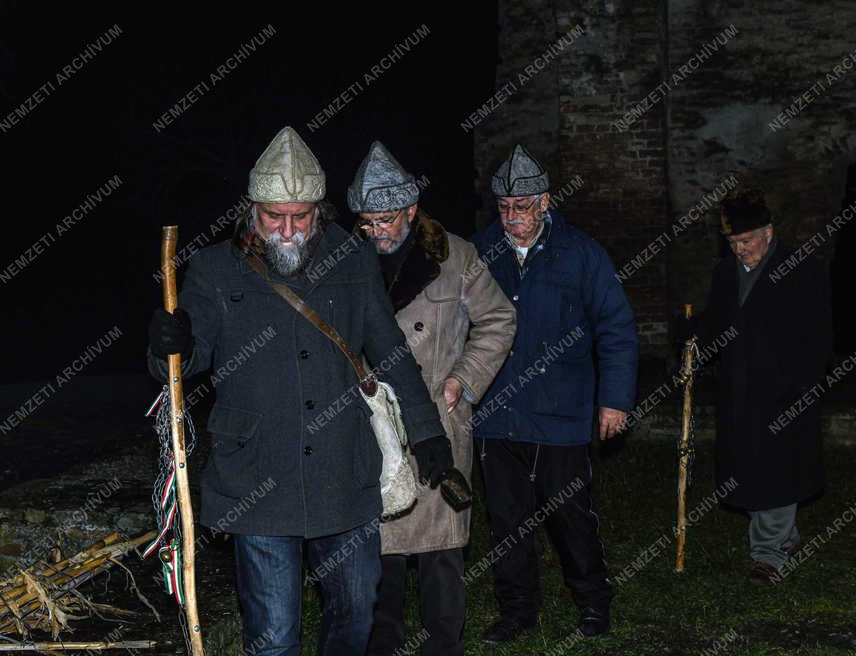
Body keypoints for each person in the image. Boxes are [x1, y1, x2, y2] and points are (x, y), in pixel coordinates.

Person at [146, 127, 447, 656]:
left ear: (320, 211)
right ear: (251, 209)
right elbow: (187, 361)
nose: (287, 230)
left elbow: (391, 351)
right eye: (273, 217)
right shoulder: (214, 268)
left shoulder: (353, 261)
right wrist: (168, 342)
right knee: (274, 635)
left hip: (344, 472)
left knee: (355, 615)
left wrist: (427, 432)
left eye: (300, 217)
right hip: (257, 474)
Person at [348, 142, 515, 656]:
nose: (378, 232)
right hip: (373, 420)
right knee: (382, 546)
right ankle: (384, 643)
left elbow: (499, 321)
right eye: (369, 222)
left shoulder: (456, 255)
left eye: (388, 220)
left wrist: (462, 380)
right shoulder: (345, 260)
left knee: (441, 548)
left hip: (439, 420)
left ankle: (443, 645)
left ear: (412, 210)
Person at [470, 145, 638, 641]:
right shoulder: (480, 252)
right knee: (506, 520)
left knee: (570, 517)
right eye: (503, 208)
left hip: (561, 413)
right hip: (497, 415)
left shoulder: (581, 253)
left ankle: (593, 604)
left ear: (544, 201)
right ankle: (517, 611)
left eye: (521, 207)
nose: (512, 218)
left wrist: (615, 399)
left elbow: (617, 328)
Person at [689, 187, 832, 585]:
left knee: (778, 469)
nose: (739, 249)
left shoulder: (800, 270)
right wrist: (694, 343)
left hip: (785, 391)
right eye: (733, 242)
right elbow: (716, 322)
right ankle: (782, 535)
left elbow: (819, 335)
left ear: (768, 233)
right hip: (740, 391)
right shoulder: (725, 274)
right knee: (749, 468)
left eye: (746, 241)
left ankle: (767, 556)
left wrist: (803, 385)